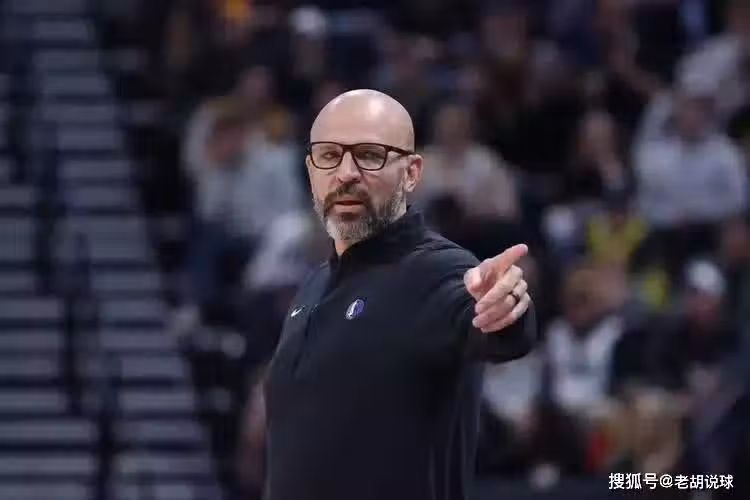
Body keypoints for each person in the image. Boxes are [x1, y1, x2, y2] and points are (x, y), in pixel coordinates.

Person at [263, 89, 537, 500]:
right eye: (329, 155)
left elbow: (491, 324)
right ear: (310, 170)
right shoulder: (312, 286)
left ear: (411, 173)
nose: (346, 173)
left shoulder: (437, 271)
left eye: (369, 155)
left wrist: (507, 310)